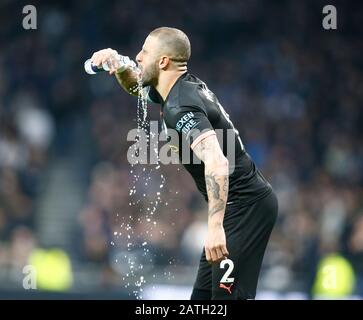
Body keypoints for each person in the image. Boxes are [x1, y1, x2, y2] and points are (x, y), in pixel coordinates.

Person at [89, 27, 278, 300]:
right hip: (237, 209)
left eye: (145, 52)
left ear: (163, 61)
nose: (138, 57)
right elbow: (137, 86)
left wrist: (214, 227)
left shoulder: (180, 106)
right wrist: (118, 64)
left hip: (245, 211)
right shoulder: (178, 87)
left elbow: (217, 162)